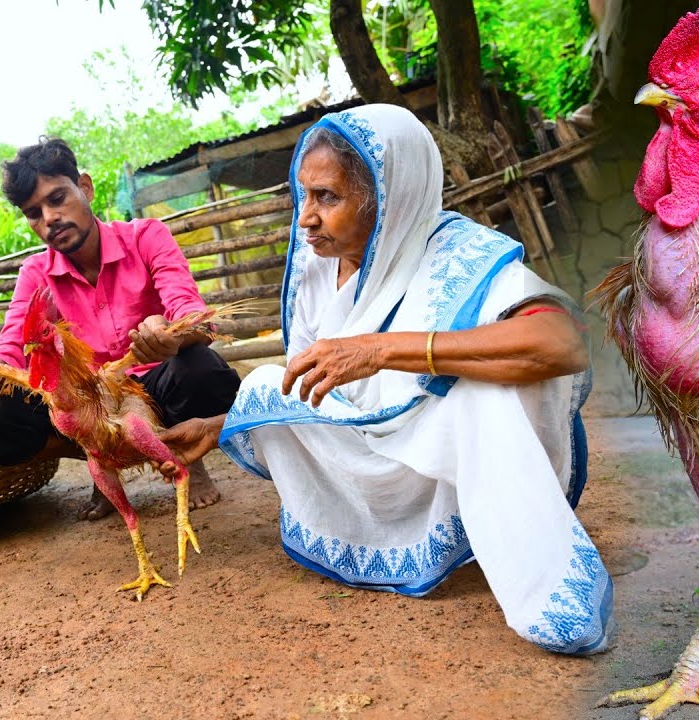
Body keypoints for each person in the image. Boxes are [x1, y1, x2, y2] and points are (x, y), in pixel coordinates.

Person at [157, 104, 612, 654]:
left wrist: (385, 351)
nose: (305, 218)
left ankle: (544, 574)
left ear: (388, 198)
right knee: (261, 386)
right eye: (303, 196)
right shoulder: (317, 268)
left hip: (451, 452)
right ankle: (375, 537)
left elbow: (563, 344)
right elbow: (318, 383)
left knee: (483, 393)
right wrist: (217, 425)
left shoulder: (459, 255)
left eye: (328, 198)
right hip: (375, 443)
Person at [0, 137, 240, 516]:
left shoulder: (146, 237)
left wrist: (171, 335)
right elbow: (14, 355)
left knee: (202, 370)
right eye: (33, 212)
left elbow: (195, 317)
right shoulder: (35, 274)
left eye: (57, 198)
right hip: (87, 405)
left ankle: (187, 458)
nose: (48, 219)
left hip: (156, 383)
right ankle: (102, 461)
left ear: (86, 187)